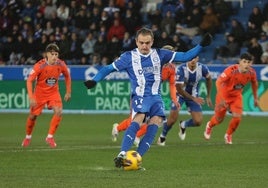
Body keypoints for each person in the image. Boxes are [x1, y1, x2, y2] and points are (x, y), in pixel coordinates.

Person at [84, 27, 212, 168]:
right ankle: (122, 154)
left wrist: (201, 45)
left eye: (147, 42)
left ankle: (135, 159)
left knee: (155, 123)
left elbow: (185, 56)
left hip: (156, 98)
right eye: (141, 43)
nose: (144, 46)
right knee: (139, 119)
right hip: (140, 96)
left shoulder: (160, 54)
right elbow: (108, 68)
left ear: (152, 42)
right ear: (136, 42)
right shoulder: (128, 57)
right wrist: (94, 80)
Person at [112, 45, 180, 146]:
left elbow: (172, 84)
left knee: (156, 120)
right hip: (139, 94)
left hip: (153, 96)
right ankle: (118, 128)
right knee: (136, 119)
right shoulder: (151, 62)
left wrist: (174, 99)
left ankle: (136, 135)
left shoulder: (171, 69)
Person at [21, 43, 71, 148]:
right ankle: (28, 137)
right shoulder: (39, 66)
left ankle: (50, 137)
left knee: (58, 111)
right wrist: (31, 97)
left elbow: (67, 76)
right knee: (32, 116)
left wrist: (68, 91)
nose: (54, 57)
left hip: (53, 93)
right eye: (52, 54)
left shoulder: (61, 64)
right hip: (40, 94)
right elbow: (29, 80)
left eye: (56, 54)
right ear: (47, 54)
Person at [204, 53, 259, 144]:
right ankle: (209, 125)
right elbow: (218, 82)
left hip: (236, 97)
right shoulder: (231, 70)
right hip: (223, 96)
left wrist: (255, 98)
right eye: (244, 62)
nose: (246, 64)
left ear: (251, 63)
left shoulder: (252, 72)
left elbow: (254, 83)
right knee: (219, 120)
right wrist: (221, 99)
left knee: (237, 117)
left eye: (248, 62)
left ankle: (228, 135)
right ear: (240, 62)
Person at [157, 56, 213, 146]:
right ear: (187, 59)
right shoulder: (181, 69)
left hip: (193, 96)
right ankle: (163, 136)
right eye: (191, 58)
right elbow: (179, 90)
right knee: (172, 119)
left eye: (195, 58)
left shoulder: (202, 68)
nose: (192, 60)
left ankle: (184, 124)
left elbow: (209, 79)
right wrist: (194, 99)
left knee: (198, 121)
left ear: (198, 59)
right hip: (180, 95)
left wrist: (208, 96)